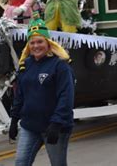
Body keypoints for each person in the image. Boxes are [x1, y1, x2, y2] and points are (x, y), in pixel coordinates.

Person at [9, 17, 74, 166]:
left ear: (48, 43)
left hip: (54, 126)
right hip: (30, 126)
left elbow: (66, 96)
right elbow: (20, 95)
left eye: (40, 42)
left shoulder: (60, 66)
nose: (36, 46)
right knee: (20, 162)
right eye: (32, 42)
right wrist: (14, 119)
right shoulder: (25, 65)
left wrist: (57, 123)